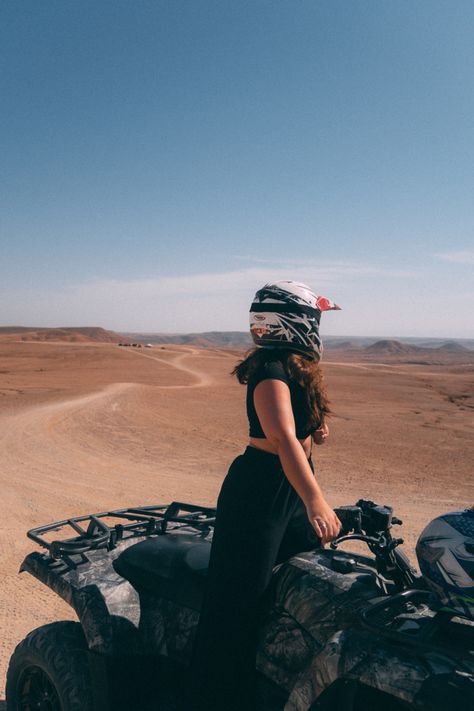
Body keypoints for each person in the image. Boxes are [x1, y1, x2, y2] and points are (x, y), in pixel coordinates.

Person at [186, 280, 342, 711]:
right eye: (314, 320)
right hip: (259, 493)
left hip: (288, 486)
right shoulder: (269, 372)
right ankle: (215, 699)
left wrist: (318, 431)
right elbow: (282, 440)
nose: (317, 329)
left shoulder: (294, 369)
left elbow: (301, 434)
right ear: (293, 323)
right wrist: (316, 500)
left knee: (298, 582)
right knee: (235, 606)